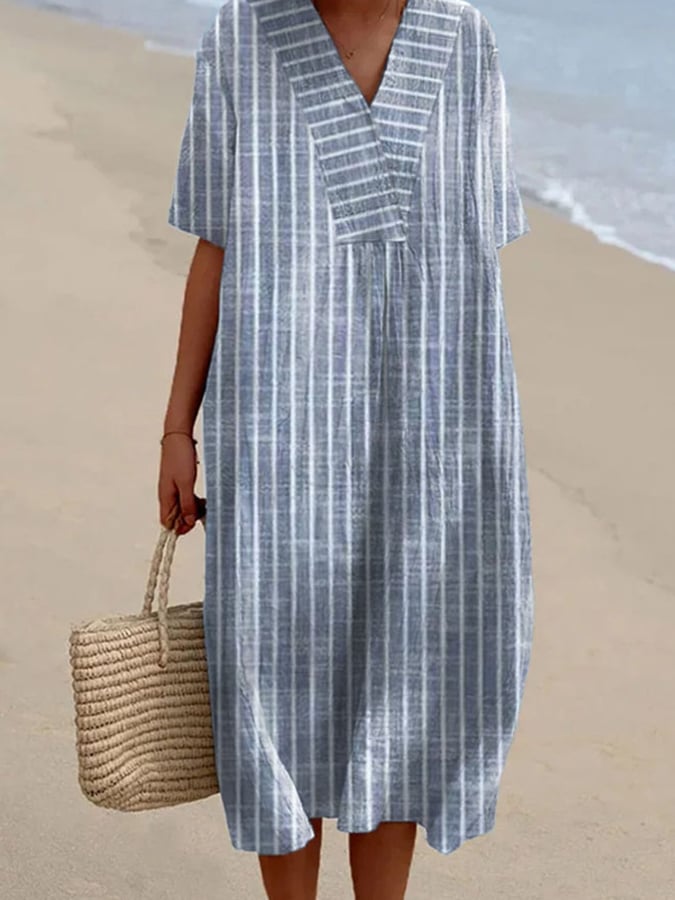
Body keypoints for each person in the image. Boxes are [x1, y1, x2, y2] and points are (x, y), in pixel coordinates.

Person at [158, 0, 535, 897]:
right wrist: (177, 426)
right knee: (272, 669)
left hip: (432, 422)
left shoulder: (462, 39)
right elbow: (216, 240)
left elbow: (474, 249)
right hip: (274, 425)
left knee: (408, 665)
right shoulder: (240, 34)